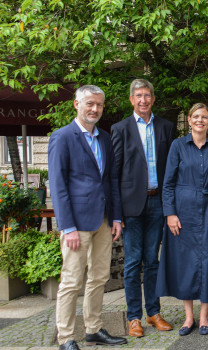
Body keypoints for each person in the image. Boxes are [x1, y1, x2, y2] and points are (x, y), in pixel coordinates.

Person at [49, 85, 127, 350]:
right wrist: (67, 226)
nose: (95, 109)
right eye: (90, 104)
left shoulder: (104, 138)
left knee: (99, 278)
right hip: (77, 224)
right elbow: (58, 186)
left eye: (99, 105)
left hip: (104, 221)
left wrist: (116, 217)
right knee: (71, 282)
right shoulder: (62, 137)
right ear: (76, 104)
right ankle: (66, 338)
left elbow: (111, 181)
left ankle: (93, 329)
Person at [156, 103, 208, 336]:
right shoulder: (177, 146)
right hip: (183, 212)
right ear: (189, 120)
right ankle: (188, 317)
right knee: (185, 264)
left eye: (205, 117)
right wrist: (170, 213)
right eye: (196, 116)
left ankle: (204, 317)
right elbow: (168, 183)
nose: (200, 120)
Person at [111, 79, 174, 337]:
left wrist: (170, 206)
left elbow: (171, 170)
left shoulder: (165, 127)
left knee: (152, 262)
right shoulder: (120, 128)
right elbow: (114, 174)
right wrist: (116, 213)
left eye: (147, 95)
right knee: (132, 262)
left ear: (153, 98)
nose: (143, 100)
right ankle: (134, 317)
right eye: (138, 96)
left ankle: (153, 313)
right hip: (131, 207)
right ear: (131, 99)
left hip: (157, 203)